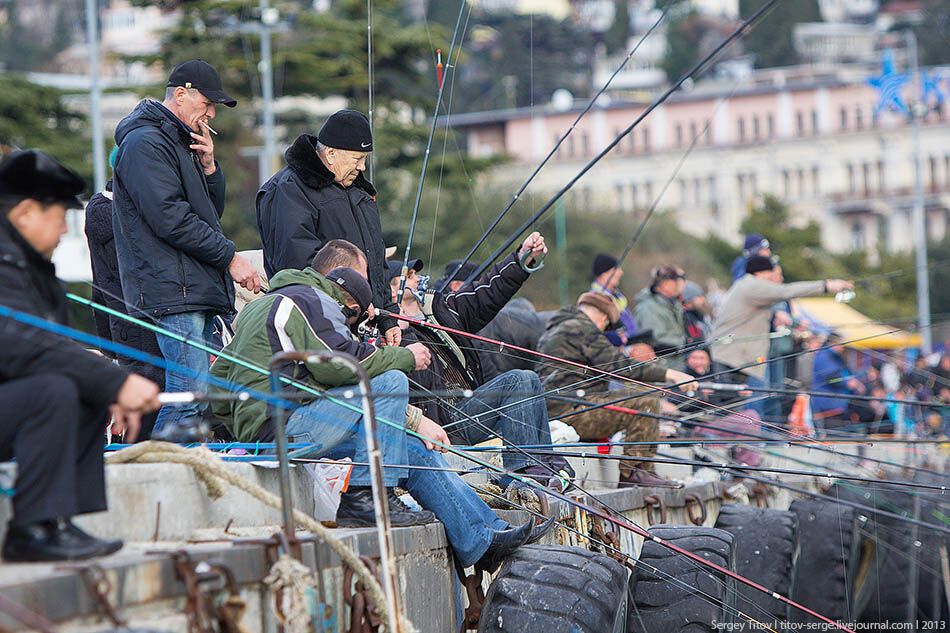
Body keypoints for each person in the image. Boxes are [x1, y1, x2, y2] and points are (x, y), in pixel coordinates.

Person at [210, 255, 552, 571]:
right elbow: (344, 364)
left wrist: (243, 428)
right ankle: (369, 496)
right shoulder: (312, 300)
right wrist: (405, 356)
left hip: (278, 428)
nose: (347, 326)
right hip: (286, 427)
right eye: (351, 320)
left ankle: (484, 537)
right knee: (389, 380)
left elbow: (219, 385)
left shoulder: (259, 309)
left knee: (413, 450)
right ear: (350, 304)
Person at [0, 150, 160, 562]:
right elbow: (20, 345)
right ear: (25, 214)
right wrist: (118, 380)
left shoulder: (28, 264)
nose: (62, 231)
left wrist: (104, 387)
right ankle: (29, 530)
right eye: (58, 219)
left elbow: (46, 343)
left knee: (85, 390)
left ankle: (59, 521)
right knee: (54, 391)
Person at [112, 59, 261, 441]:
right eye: (207, 103)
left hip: (189, 287)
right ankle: (149, 480)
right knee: (187, 400)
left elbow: (209, 214)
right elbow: (170, 218)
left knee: (198, 400)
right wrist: (229, 257)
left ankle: (170, 476)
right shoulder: (145, 142)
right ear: (181, 95)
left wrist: (210, 168)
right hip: (173, 291)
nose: (211, 113)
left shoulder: (180, 142)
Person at [387, 233, 571, 490]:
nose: (416, 278)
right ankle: (522, 470)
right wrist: (403, 331)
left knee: (528, 380)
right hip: (442, 423)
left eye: (415, 274)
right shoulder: (388, 332)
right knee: (518, 380)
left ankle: (542, 463)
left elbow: (486, 293)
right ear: (391, 290)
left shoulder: (439, 309)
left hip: (466, 407)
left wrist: (520, 260)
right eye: (407, 277)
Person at [256, 109, 401, 348]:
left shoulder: (359, 191)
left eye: (365, 159)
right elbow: (298, 267)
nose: (363, 167)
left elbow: (376, 261)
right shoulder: (288, 189)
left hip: (365, 326)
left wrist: (388, 317)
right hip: (315, 329)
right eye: (357, 159)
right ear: (331, 154)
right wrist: (355, 302)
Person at [537, 292, 696, 487]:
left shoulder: (558, 327)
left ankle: (644, 469)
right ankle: (632, 472)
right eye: (606, 326)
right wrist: (671, 374)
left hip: (562, 409)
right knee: (645, 401)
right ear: (603, 317)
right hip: (572, 411)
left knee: (639, 399)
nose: (603, 329)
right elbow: (620, 366)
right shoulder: (581, 328)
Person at [84, 147, 165, 440]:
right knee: (145, 405)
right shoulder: (107, 212)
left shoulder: (123, 209)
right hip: (134, 327)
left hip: (131, 325)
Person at [710, 255, 852, 418]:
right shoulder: (753, 285)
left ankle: (752, 438)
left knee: (742, 404)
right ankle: (754, 439)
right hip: (734, 356)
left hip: (737, 356)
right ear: (761, 273)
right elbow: (785, 291)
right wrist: (827, 285)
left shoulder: (747, 286)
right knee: (749, 405)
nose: (775, 277)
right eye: (771, 272)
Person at [632, 265, 687, 356]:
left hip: (675, 360)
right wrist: (682, 344)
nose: (680, 283)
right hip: (661, 364)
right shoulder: (648, 308)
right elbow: (653, 340)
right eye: (676, 280)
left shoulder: (672, 304)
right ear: (666, 283)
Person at [590, 253, 638, 346]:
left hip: (631, 344)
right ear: (604, 274)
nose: (621, 272)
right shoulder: (595, 299)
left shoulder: (618, 296)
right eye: (616, 269)